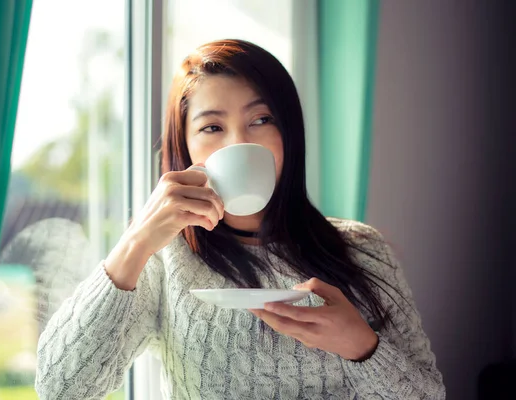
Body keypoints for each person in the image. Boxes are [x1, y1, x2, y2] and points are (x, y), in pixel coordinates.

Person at [35, 39, 445, 399]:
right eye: (212, 127)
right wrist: (135, 242)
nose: (239, 142)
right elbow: (61, 388)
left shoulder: (361, 249)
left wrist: (362, 345)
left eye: (261, 120)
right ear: (186, 149)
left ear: (290, 134)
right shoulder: (164, 260)